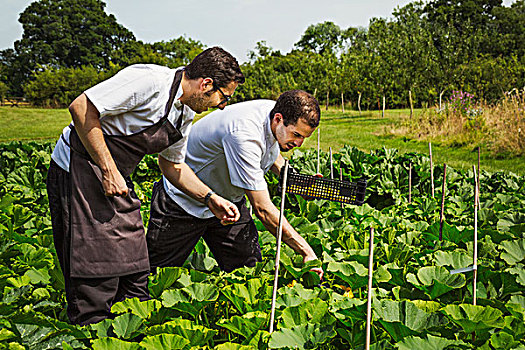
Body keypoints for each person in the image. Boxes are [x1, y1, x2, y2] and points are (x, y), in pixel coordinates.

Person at [46, 47, 245, 325]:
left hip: (116, 178)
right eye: (224, 96)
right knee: (94, 272)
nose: (223, 105)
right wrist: (108, 169)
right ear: (207, 84)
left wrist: (210, 198)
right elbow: (81, 107)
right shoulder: (151, 82)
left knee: (136, 271)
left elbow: (172, 167)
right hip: (77, 170)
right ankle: (89, 328)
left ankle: (126, 333)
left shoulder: (184, 114)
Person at [147, 90, 324, 279]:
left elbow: (269, 150)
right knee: (154, 275)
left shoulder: (273, 112)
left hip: (227, 205)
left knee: (249, 274)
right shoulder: (244, 134)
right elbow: (262, 209)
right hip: (182, 201)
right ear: (279, 119)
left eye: (304, 137)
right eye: (296, 134)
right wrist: (306, 251)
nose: (299, 143)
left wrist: (296, 181)